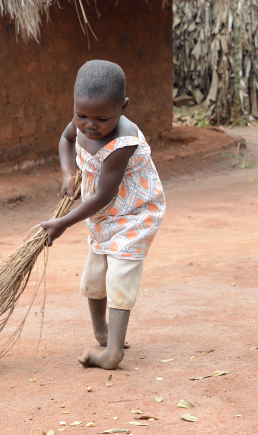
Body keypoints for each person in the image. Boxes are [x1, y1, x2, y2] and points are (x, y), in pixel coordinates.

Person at [41, 60, 165, 369]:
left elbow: (103, 195)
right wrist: (68, 175)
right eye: (80, 115)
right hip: (103, 216)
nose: (89, 125)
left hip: (134, 214)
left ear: (123, 107)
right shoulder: (82, 123)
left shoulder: (123, 140)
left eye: (101, 118)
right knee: (95, 275)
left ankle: (113, 354)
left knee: (119, 273)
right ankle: (102, 332)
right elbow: (66, 139)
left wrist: (63, 224)